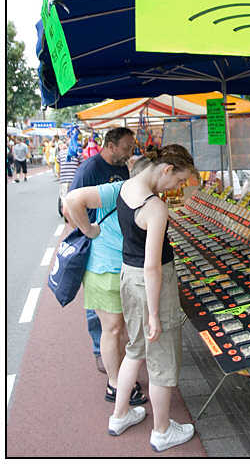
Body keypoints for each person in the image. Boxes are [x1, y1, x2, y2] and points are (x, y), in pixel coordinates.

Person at [107, 144, 199, 452]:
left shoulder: (126, 186)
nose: (176, 187)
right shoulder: (155, 206)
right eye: (179, 180)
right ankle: (162, 431)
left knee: (135, 349)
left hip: (128, 277)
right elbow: (152, 265)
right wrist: (155, 314)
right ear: (167, 169)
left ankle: (120, 415)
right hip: (151, 285)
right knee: (161, 357)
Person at [65, 157, 149, 407]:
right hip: (104, 269)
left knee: (120, 329)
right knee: (112, 329)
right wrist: (88, 230)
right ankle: (115, 385)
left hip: (121, 266)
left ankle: (123, 378)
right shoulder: (119, 189)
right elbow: (71, 201)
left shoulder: (142, 195)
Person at [63, 127, 136, 373]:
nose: (130, 153)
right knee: (99, 309)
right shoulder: (89, 169)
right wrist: (86, 233)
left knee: (115, 311)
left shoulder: (122, 168)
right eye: (126, 148)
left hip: (116, 246)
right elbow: (68, 208)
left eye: (132, 148)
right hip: (96, 247)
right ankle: (100, 350)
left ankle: (116, 355)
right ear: (110, 145)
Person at [57, 141, 83, 210]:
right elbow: (81, 166)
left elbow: (59, 167)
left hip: (64, 179)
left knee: (64, 197)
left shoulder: (60, 153)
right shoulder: (78, 153)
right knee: (73, 197)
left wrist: (59, 177)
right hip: (74, 179)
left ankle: (65, 211)